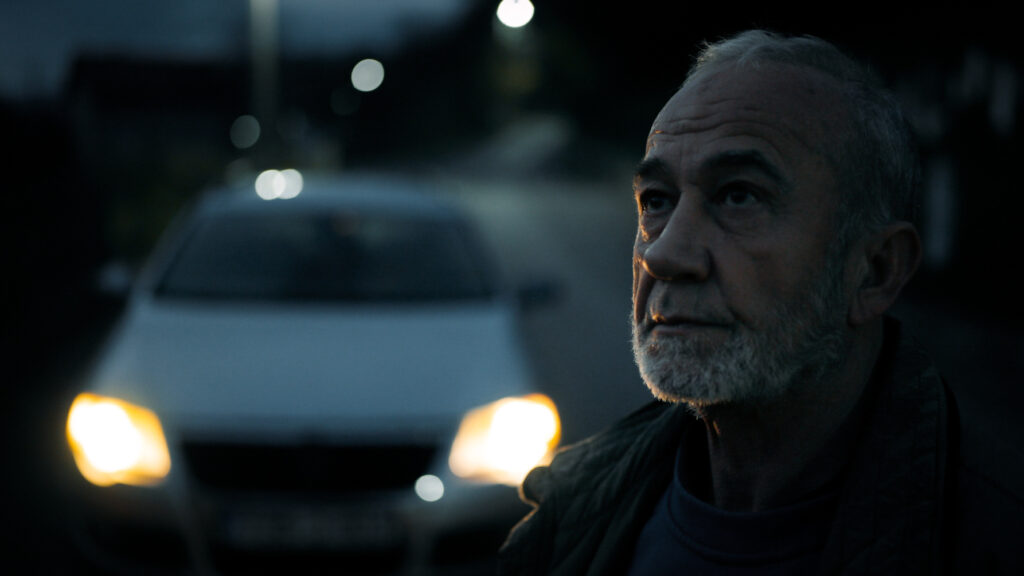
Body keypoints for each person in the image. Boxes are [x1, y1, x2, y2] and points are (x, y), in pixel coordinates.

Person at [498, 30, 1023, 575]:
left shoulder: (996, 537)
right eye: (655, 200)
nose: (664, 255)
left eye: (738, 195)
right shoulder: (567, 521)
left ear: (875, 271)